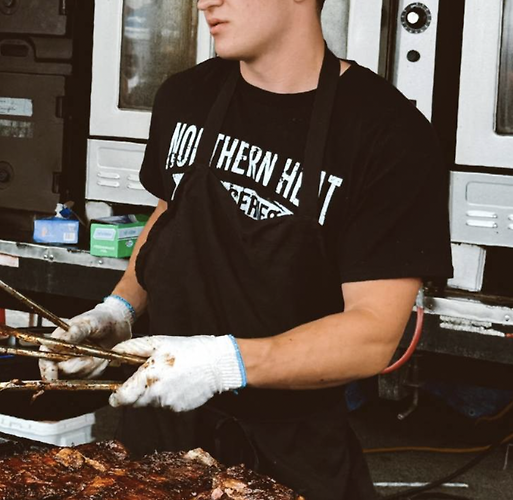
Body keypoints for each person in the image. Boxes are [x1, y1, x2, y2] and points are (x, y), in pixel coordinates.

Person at [40, 0, 453, 498]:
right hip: (156, 445)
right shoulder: (187, 95)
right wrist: (120, 308)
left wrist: (221, 363)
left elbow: (372, 335)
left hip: (292, 454)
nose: (204, 2)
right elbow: (169, 216)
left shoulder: (387, 132)